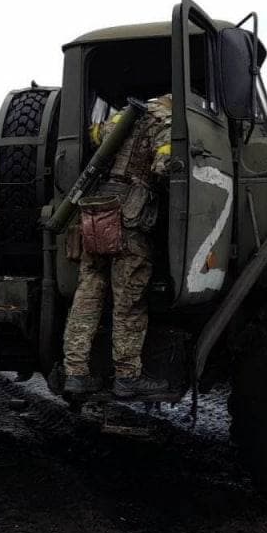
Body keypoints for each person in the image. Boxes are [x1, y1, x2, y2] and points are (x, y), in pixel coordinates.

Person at [62, 94, 172, 398]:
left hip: (97, 212)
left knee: (87, 296)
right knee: (129, 301)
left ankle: (76, 374)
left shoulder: (118, 120)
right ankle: (127, 376)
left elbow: (94, 138)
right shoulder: (164, 120)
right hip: (129, 219)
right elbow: (165, 166)